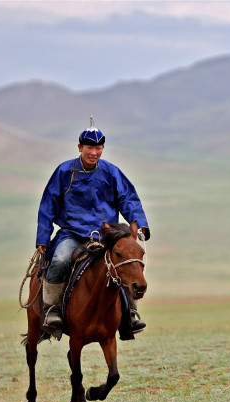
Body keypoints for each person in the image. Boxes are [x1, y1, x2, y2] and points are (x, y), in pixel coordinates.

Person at [36, 116, 150, 339]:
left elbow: (128, 199)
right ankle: (52, 310)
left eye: (98, 148)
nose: (94, 152)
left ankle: (131, 313)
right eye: (89, 147)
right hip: (72, 234)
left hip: (105, 235)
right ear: (80, 147)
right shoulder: (64, 172)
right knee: (59, 260)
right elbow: (48, 204)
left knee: (126, 262)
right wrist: (43, 237)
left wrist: (140, 223)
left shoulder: (111, 172)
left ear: (102, 148)